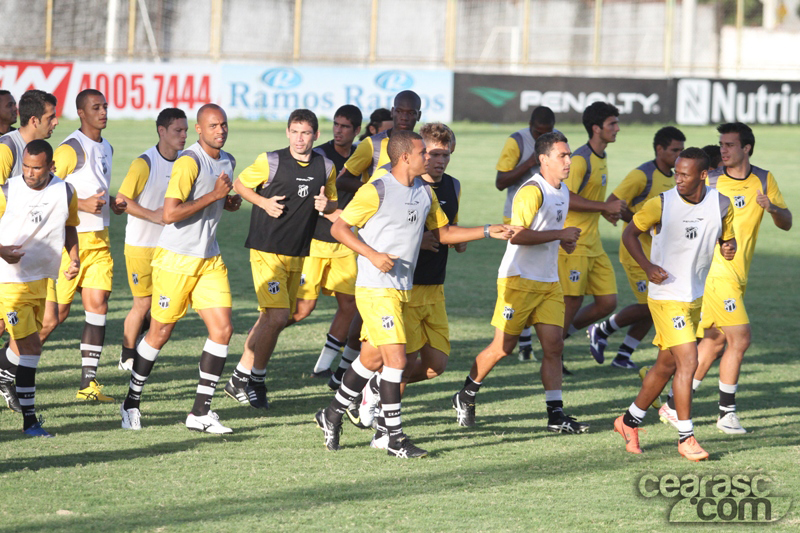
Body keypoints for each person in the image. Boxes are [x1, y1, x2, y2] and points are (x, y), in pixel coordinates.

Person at [314, 130, 512, 458]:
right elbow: (339, 228)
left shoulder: (423, 191)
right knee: (396, 360)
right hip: (375, 289)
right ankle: (393, 438)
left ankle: (332, 413)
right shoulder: (376, 188)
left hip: (403, 289)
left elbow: (444, 232)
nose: (429, 158)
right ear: (406, 156)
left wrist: (489, 231)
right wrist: (372, 254)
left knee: (373, 358)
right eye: (423, 153)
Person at [453, 131, 588, 433]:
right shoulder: (531, 191)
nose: (569, 160)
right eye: (562, 155)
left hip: (549, 281)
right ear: (544, 159)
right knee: (503, 348)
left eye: (569, 155)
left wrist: (562, 241)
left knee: (553, 347)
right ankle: (466, 394)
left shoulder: (562, 190)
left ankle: (555, 416)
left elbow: (548, 230)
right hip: (518, 280)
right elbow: (517, 233)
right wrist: (559, 234)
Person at [661, 123, 791, 435]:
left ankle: (671, 404)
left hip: (738, 275)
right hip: (716, 274)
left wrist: (771, 207)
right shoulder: (712, 181)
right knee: (741, 338)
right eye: (721, 144)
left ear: (747, 148)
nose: (723, 150)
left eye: (730, 145)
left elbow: (786, 222)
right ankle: (726, 414)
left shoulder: (763, 178)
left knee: (715, 339)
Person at [119, 103, 242, 433]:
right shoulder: (189, 161)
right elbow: (170, 214)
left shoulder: (227, 160)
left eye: (224, 125)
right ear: (200, 130)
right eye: (213, 126)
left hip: (209, 259)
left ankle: (200, 413)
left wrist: (227, 201)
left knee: (223, 330)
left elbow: (217, 200)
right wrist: (215, 194)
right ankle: (131, 402)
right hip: (175, 259)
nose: (221, 130)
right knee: (159, 333)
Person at [613, 147, 736, 461]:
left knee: (666, 364)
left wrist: (729, 245)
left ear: (703, 175)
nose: (677, 179)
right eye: (676, 173)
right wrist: (647, 266)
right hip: (666, 296)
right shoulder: (662, 203)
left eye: (684, 174)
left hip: (694, 296)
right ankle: (686, 437)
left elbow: (727, 237)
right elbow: (629, 234)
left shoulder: (721, 204)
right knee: (688, 361)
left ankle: (628, 421)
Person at [356, 123, 466, 447]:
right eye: (432, 154)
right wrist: (421, 242)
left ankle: (376, 389)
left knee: (436, 365)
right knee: (396, 361)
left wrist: (465, 238)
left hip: (435, 286)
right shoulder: (401, 186)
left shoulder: (452, 187)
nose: (440, 161)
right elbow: (387, 233)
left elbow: (447, 229)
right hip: (400, 286)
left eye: (446, 155)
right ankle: (384, 429)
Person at [222, 109, 337, 410]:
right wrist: (262, 202)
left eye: (306, 133)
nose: (300, 138)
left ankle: (238, 379)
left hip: (298, 252)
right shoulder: (270, 161)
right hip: (266, 250)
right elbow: (240, 185)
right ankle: (256, 379)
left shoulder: (325, 166)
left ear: (316, 135)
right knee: (276, 317)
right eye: (295, 132)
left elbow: (330, 203)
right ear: (287, 132)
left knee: (271, 318)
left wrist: (327, 205)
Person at [39, 89, 125, 402]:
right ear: (81, 112)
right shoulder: (69, 149)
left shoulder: (108, 147)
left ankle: (88, 385)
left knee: (97, 306)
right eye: (95, 107)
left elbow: (93, 189)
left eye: (105, 106)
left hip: (99, 241)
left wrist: (112, 202)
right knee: (52, 318)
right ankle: (8, 366)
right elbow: (44, 189)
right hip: (67, 243)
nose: (103, 112)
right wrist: (80, 203)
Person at [587, 127, 685, 369]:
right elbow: (612, 204)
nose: (679, 155)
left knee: (654, 306)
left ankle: (623, 356)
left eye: (682, 150)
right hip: (636, 252)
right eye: (675, 150)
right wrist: (642, 223)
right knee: (648, 305)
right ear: (659, 149)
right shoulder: (642, 175)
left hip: (658, 254)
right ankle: (601, 329)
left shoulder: (675, 176)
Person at [0, 140, 80, 436]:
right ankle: (30, 421)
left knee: (25, 342)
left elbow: (69, 225)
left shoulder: (65, 191)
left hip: (42, 280)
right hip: (9, 282)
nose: (30, 173)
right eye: (26, 167)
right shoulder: (8, 191)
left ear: (51, 167)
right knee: (31, 346)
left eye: (37, 168)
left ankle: (3, 376)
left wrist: (74, 256)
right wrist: (2, 251)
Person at [289, 105, 362, 380]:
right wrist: (336, 213)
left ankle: (322, 367)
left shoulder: (360, 157)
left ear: (356, 131)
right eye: (336, 125)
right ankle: (260, 334)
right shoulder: (319, 156)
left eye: (345, 127)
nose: (339, 131)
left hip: (344, 244)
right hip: (315, 242)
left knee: (350, 305)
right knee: (303, 309)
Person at [115, 108, 188, 371]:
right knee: (143, 304)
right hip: (141, 246)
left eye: (186, 130)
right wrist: (153, 216)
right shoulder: (143, 163)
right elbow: (122, 201)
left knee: (166, 306)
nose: (184, 136)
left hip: (170, 248)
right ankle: (127, 354)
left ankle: (142, 349)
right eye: (178, 131)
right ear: (162, 131)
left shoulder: (184, 162)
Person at [558, 102, 626, 373]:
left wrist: (607, 211)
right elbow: (567, 197)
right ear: (596, 129)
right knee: (571, 301)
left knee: (608, 301)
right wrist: (604, 208)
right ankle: (554, 353)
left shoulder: (601, 156)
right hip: (574, 244)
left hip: (593, 242)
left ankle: (557, 339)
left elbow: (591, 196)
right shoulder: (580, 160)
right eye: (612, 124)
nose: (617, 129)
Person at [0, 89, 60, 362]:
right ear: (34, 120)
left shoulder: (41, 156)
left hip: (29, 256)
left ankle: (6, 373)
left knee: (50, 320)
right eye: (51, 116)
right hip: (5, 255)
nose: (56, 122)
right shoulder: (6, 149)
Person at [495, 106, 556, 363]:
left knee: (538, 276)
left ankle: (527, 343)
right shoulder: (517, 140)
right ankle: (522, 342)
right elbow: (500, 181)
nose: (541, 135)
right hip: (517, 217)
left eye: (546, 132)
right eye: (537, 131)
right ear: (530, 125)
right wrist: (530, 162)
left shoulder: (557, 141)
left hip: (546, 217)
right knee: (523, 276)